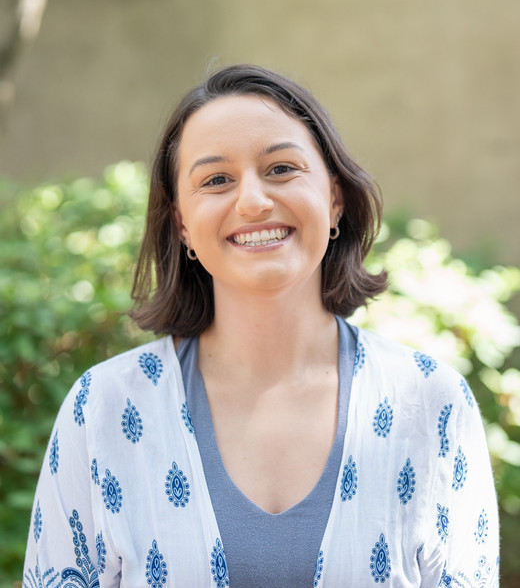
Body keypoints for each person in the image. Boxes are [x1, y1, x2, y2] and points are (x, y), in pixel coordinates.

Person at [23, 65, 499, 587]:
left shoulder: (431, 403)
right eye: (216, 180)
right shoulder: (104, 409)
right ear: (183, 224)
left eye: (281, 168)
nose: (252, 200)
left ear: (334, 198)